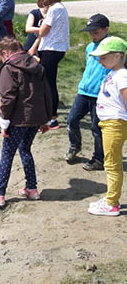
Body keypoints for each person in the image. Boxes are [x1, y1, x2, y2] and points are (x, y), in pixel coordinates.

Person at [0, 37, 52, 207]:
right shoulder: (38, 66)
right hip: (36, 118)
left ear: (5, 52)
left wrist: (4, 122)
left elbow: (8, 98)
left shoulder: (9, 69)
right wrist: (46, 119)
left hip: (18, 120)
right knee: (25, 149)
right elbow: (47, 94)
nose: (1, 61)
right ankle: (32, 189)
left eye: (0, 57)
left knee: (7, 154)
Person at [87, 36, 127, 217]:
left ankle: (112, 203)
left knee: (111, 164)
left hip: (115, 123)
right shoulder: (113, 73)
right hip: (109, 123)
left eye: (104, 57)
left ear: (118, 56)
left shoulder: (122, 75)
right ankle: (111, 198)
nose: (100, 60)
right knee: (111, 162)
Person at [65, 14, 111, 171]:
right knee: (71, 120)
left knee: (96, 128)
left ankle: (99, 158)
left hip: (101, 95)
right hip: (84, 91)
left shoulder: (113, 47)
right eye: (90, 32)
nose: (92, 35)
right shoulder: (90, 47)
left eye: (96, 32)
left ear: (106, 29)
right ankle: (74, 146)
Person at [28, 0, 70, 130]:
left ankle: (51, 118)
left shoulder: (53, 9)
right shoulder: (61, 8)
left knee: (48, 83)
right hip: (58, 48)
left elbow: (43, 31)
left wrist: (39, 27)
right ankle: (51, 116)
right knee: (50, 81)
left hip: (51, 49)